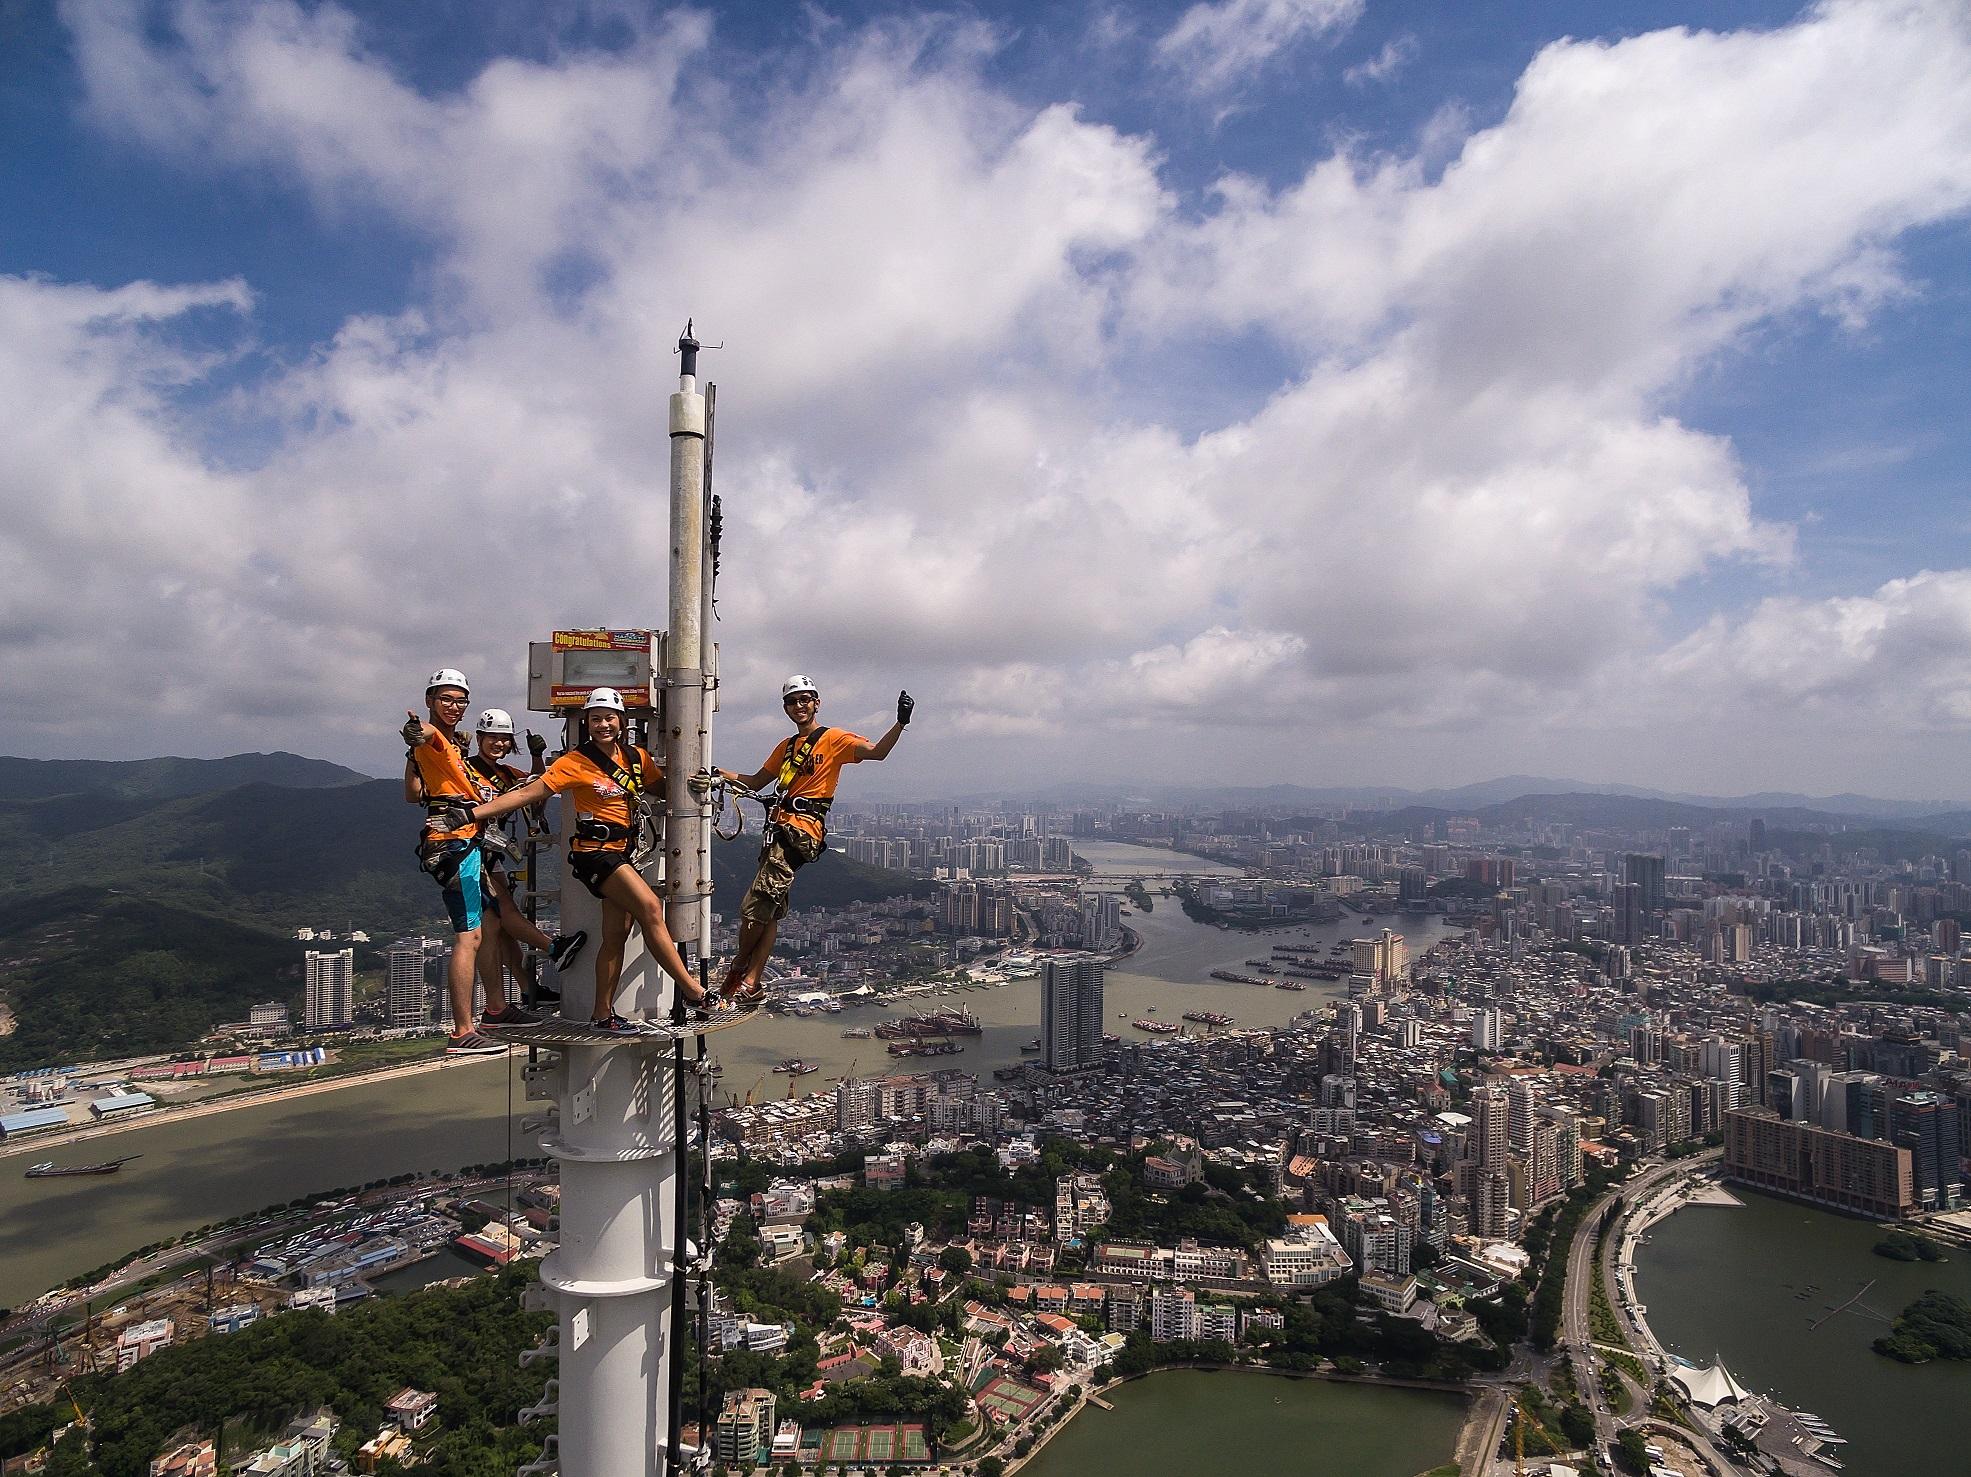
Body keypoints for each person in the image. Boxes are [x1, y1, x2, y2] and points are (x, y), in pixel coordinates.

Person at [458, 687, 711, 1032]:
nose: (602, 725)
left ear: (621, 721)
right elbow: (528, 794)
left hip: (622, 852)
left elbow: (665, 788)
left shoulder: (637, 759)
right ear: (586, 724)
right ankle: (693, 991)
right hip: (594, 854)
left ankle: (602, 1014)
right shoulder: (575, 762)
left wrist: (697, 784)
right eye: (595, 719)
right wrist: (473, 814)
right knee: (651, 908)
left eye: (608, 718)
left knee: (615, 933)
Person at [704, 675, 911, 1002]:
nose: (799, 706)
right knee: (770, 909)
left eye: (805, 699)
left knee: (754, 908)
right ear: (785, 707)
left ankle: (739, 969)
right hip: (777, 829)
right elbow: (756, 782)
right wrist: (719, 774)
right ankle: (753, 981)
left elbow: (877, 753)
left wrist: (899, 723)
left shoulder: (834, 739)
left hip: (800, 832)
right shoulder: (786, 748)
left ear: (817, 703)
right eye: (792, 701)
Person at [400, 669, 539, 1054]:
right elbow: (423, 732)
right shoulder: (436, 738)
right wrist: (417, 735)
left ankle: (495, 1008)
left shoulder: (451, 748)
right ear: (430, 700)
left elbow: (413, 795)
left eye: (460, 699)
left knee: (489, 927)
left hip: (466, 843)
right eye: (446, 698)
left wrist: (416, 753)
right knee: (469, 937)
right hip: (455, 843)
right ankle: (462, 1030)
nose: (454, 705)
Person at [465, 708, 586, 1001]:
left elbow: (535, 796)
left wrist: (537, 759)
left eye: (504, 739)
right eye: (492, 737)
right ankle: (553, 947)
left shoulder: (508, 775)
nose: (499, 744)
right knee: (505, 910)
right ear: (480, 738)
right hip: (470, 851)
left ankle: (528, 988)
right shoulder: (465, 769)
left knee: (504, 927)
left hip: (490, 854)